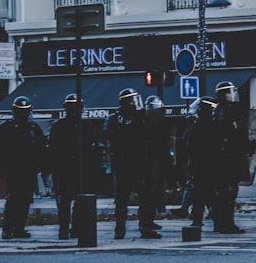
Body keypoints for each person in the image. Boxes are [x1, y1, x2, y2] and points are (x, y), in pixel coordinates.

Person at [104, 88, 159, 239]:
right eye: (132, 100)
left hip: (140, 163)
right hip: (124, 164)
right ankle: (120, 228)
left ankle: (145, 227)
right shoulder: (115, 119)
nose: (134, 103)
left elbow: (152, 133)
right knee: (122, 199)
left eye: (135, 100)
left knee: (145, 197)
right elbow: (109, 139)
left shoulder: (141, 117)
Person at [0, 96, 47, 240]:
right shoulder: (5, 128)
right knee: (13, 199)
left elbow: (41, 148)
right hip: (13, 169)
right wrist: (0, 170)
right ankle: (7, 229)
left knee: (25, 200)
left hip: (28, 169)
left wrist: (40, 167)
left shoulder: (34, 128)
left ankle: (19, 228)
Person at [48, 94, 99, 240]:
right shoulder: (61, 126)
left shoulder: (84, 126)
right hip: (67, 169)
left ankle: (70, 228)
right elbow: (54, 149)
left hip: (77, 169)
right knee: (67, 201)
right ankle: (67, 228)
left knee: (74, 201)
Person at [212, 81, 251, 234]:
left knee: (230, 191)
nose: (232, 94)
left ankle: (226, 223)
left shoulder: (233, 111)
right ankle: (225, 223)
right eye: (229, 92)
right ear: (223, 95)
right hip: (226, 158)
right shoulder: (221, 111)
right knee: (226, 192)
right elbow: (223, 136)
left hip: (233, 157)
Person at [185, 96, 217, 229]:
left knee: (200, 193)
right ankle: (216, 218)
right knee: (208, 193)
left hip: (200, 163)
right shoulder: (209, 125)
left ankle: (197, 218)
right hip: (207, 163)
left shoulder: (198, 125)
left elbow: (188, 142)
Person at [142, 95, 169, 227]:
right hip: (153, 159)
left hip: (154, 158)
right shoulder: (153, 121)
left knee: (153, 191)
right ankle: (148, 220)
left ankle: (149, 220)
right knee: (152, 191)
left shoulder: (147, 120)